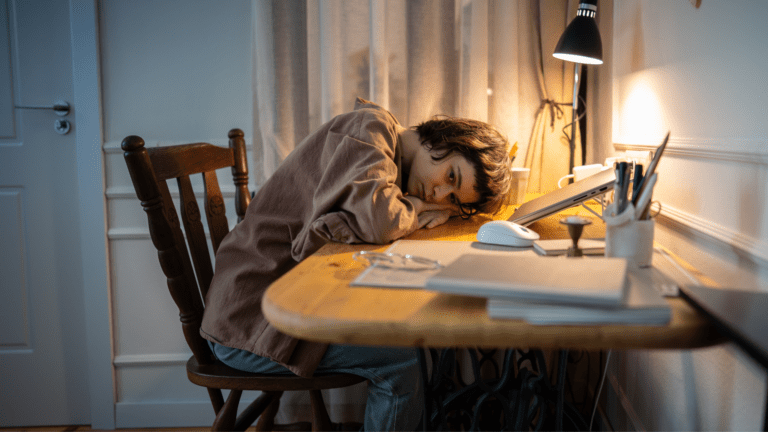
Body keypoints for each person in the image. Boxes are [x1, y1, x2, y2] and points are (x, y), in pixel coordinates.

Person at [200, 98, 512, 430]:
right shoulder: (370, 128)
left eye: (452, 198)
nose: (439, 194)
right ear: (442, 140)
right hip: (249, 323)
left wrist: (418, 208)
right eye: (450, 175)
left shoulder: (385, 156)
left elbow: (371, 222)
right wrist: (418, 206)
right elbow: (380, 219)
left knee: (416, 341)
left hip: (273, 307)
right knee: (404, 362)